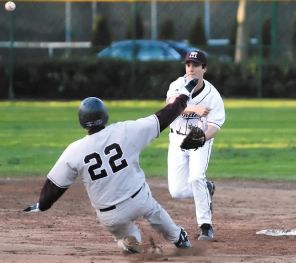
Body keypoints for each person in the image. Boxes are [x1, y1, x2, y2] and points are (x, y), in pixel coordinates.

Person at [23, 81, 198, 254]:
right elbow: (164, 116)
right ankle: (178, 237)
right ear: (105, 115)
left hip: (109, 215)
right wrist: (183, 96)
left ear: (82, 122)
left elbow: (55, 186)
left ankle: (130, 240)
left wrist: (43, 204)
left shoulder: (74, 150)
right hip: (138, 199)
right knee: (153, 210)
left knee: (123, 234)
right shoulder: (125, 131)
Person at [166, 50, 225, 241]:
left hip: (199, 139)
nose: (191, 68)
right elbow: (171, 105)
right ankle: (207, 188)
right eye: (188, 64)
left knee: (196, 177)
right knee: (176, 191)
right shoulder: (177, 84)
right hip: (176, 139)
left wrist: (201, 139)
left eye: (196, 65)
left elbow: (215, 126)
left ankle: (205, 226)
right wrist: (194, 109)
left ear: (204, 69)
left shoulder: (212, 95)